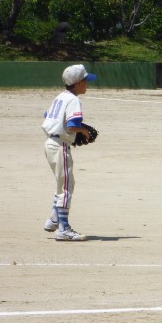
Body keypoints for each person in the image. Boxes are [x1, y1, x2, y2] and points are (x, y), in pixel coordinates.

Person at [41, 64, 98, 241]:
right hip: (60, 145)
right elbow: (73, 125)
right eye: (85, 81)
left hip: (50, 142)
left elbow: (47, 115)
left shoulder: (60, 97)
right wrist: (84, 131)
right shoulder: (73, 100)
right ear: (78, 83)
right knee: (65, 187)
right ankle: (63, 228)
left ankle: (54, 219)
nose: (87, 84)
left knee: (65, 183)